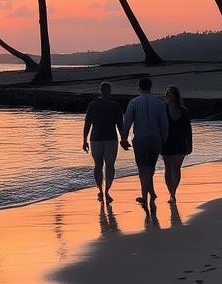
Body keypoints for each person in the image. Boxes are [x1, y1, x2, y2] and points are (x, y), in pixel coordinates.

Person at [121, 75, 169, 212]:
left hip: (140, 139)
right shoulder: (159, 103)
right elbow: (164, 124)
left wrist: (124, 139)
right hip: (155, 138)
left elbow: (127, 123)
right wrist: (163, 139)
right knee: (151, 167)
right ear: (150, 87)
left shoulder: (134, 102)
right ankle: (152, 193)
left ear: (139, 87)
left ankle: (144, 196)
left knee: (142, 168)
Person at [82, 82, 124, 202]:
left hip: (97, 138)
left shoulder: (93, 105)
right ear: (109, 91)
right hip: (109, 139)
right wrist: (123, 139)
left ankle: (102, 191)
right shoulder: (115, 105)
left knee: (98, 165)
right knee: (109, 166)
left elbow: (87, 124)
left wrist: (84, 140)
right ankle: (105, 191)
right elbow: (120, 125)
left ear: (100, 90)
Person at [161, 85, 193, 202]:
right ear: (166, 96)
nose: (170, 96)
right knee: (168, 168)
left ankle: (173, 193)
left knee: (176, 168)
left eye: (172, 94)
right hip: (166, 142)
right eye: (168, 94)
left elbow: (188, 130)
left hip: (180, 143)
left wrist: (190, 145)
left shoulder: (184, 111)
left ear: (176, 96)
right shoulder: (162, 110)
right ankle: (171, 192)